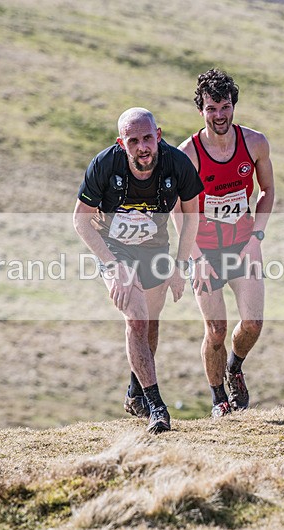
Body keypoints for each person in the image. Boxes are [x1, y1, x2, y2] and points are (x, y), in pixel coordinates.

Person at [73, 107, 203, 434]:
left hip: (154, 248)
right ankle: (156, 406)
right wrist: (112, 265)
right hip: (114, 248)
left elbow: (192, 218)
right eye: (133, 141)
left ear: (158, 136)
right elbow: (80, 219)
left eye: (147, 138)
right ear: (122, 143)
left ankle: (135, 391)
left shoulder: (177, 164)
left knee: (150, 323)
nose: (142, 147)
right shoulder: (105, 165)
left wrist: (179, 265)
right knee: (136, 316)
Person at [176, 69, 275, 418]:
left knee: (252, 324)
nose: (219, 115)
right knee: (215, 330)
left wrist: (256, 237)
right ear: (201, 110)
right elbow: (179, 212)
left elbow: (266, 192)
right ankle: (218, 398)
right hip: (204, 250)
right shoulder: (187, 154)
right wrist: (196, 257)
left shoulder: (255, 143)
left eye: (225, 107)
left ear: (234, 106)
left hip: (243, 245)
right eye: (211, 108)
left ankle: (235, 368)